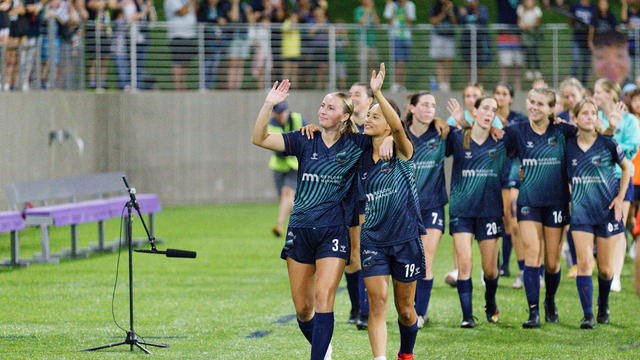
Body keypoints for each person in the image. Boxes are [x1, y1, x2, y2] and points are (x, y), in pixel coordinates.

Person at [251, 79, 370, 360]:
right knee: (304, 310)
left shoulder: (356, 144)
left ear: (344, 117)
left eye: (331, 107)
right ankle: (324, 350)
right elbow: (260, 138)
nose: (323, 110)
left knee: (324, 298)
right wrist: (268, 104)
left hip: (333, 233)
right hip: (300, 231)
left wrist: (375, 102)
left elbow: (392, 134)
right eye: (322, 105)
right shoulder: (305, 138)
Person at [360, 63, 423, 360]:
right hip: (373, 241)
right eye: (368, 115)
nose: (368, 119)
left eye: (376, 116)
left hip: (406, 240)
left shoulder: (401, 150)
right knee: (377, 302)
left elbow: (398, 128)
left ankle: (406, 353)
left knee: (406, 310)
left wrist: (377, 93)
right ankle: (379, 358)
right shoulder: (359, 155)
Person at [503, 87, 578, 328]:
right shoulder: (517, 131)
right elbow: (496, 141)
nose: (534, 107)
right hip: (528, 202)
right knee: (531, 253)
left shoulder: (563, 131)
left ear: (551, 109)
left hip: (556, 202)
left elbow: (589, 137)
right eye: (531, 101)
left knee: (553, 262)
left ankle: (549, 301)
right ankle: (533, 311)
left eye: (540, 104)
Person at [567, 97, 631, 329]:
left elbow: (627, 168)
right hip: (581, 213)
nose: (589, 117)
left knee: (605, 270)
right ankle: (588, 315)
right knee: (585, 265)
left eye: (593, 113)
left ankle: (603, 305)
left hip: (606, 212)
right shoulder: (569, 146)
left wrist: (620, 197)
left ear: (597, 118)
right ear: (575, 118)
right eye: (584, 113)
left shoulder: (608, 143)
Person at [446, 95, 507, 328]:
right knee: (464, 264)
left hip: (490, 212)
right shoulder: (458, 138)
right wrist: (459, 123)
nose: (489, 113)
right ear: (475, 110)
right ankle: (467, 316)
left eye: (494, 110)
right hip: (461, 211)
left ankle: (490, 302)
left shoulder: (500, 141)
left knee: (490, 270)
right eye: (485, 108)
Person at [405, 91, 450, 328]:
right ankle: (409, 308)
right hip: (405, 209)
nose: (429, 109)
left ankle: (419, 314)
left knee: (425, 258)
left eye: (433, 105)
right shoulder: (399, 135)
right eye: (424, 105)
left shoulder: (441, 134)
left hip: (432, 206)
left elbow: (471, 137)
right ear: (411, 108)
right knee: (409, 260)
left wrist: (456, 121)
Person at [593, 78, 640, 292]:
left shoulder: (629, 121)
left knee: (618, 226)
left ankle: (616, 275)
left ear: (611, 94)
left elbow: (632, 148)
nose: (595, 96)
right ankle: (603, 267)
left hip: (621, 176)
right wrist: (607, 129)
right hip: (597, 179)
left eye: (599, 92)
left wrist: (611, 137)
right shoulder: (594, 118)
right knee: (600, 226)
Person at [493, 83, 528, 288]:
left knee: (514, 220)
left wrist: (508, 129)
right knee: (504, 220)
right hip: (495, 170)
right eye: (497, 93)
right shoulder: (487, 117)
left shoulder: (518, 119)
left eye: (504, 93)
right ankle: (500, 265)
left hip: (515, 170)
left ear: (511, 98)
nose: (500, 97)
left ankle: (525, 269)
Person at [268, 101, 307, 238]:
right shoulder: (272, 125)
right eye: (279, 113)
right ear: (274, 114)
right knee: (285, 200)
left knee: (287, 193)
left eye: (284, 111)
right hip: (279, 166)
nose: (283, 115)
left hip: (295, 166)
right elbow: (279, 150)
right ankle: (302, 223)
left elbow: (309, 134)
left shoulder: (297, 118)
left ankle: (279, 225)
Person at [164, 0, 197, 90]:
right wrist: (192, 2)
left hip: (189, 34)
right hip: (177, 35)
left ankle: (183, 85)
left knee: (184, 63)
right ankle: (178, 86)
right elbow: (181, 12)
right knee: (178, 63)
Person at [383, 0, 415, 92]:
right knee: (399, 61)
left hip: (406, 37)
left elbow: (409, 22)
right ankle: (396, 84)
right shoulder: (391, 5)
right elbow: (389, 21)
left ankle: (401, 85)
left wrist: (404, 8)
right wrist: (394, 9)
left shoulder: (410, 5)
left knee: (403, 62)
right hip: (395, 36)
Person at [458, 0, 491, 84]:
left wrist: (477, 13)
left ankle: (480, 85)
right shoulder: (465, 10)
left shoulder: (483, 9)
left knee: (480, 65)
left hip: (480, 41)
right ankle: (470, 84)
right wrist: (462, 15)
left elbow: (485, 21)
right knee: (469, 64)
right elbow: (460, 23)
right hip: (467, 41)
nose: (471, 3)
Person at [429, 0, 458, 92]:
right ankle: (441, 83)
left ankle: (447, 83)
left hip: (449, 37)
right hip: (438, 36)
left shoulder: (454, 7)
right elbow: (433, 21)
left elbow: (455, 22)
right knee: (439, 60)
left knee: (449, 59)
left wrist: (450, 11)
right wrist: (444, 12)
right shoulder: (435, 7)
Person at [496, 0, 523, 91]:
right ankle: (503, 89)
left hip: (517, 34)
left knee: (518, 64)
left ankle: (518, 89)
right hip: (504, 34)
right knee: (504, 64)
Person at [570, 0, 596, 86]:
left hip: (588, 39)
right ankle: (573, 83)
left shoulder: (593, 7)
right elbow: (571, 21)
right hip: (577, 38)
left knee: (586, 63)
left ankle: (583, 85)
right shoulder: (575, 6)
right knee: (575, 60)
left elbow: (595, 23)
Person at [517, 0, 542, 81]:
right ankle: (529, 71)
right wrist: (523, 26)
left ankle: (537, 71)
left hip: (533, 34)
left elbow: (537, 22)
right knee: (527, 52)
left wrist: (529, 27)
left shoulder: (537, 10)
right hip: (525, 34)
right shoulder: (521, 9)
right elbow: (519, 21)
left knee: (535, 52)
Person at [354, 0, 379, 76]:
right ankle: (361, 84)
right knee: (362, 64)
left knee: (372, 64)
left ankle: (371, 85)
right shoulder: (358, 10)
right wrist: (367, 11)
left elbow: (377, 23)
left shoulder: (373, 10)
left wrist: (373, 10)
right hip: (362, 41)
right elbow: (361, 22)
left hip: (372, 41)